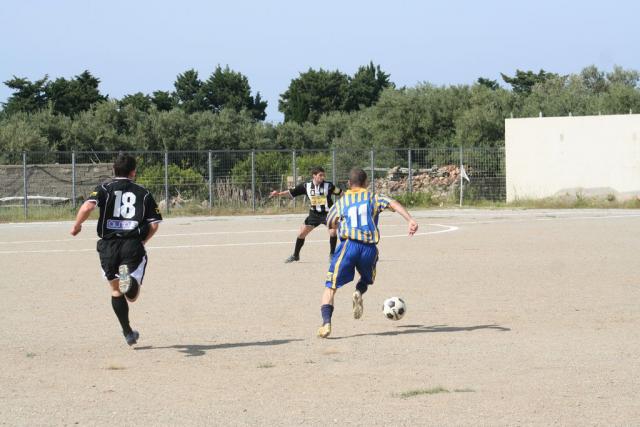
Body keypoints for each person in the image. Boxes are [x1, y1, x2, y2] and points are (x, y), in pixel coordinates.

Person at [70, 154, 162, 346]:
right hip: (131, 243)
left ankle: (128, 332)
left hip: (108, 246)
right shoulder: (143, 192)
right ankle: (129, 279)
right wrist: (142, 242)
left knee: (115, 290)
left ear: (114, 170)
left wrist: (77, 225)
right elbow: (154, 224)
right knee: (132, 296)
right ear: (133, 172)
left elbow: (87, 207)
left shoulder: (104, 188)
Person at [317, 167, 418, 338]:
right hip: (369, 249)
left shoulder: (342, 202)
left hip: (349, 246)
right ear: (366, 183)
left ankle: (326, 323)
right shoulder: (373, 197)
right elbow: (393, 203)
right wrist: (410, 220)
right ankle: (358, 291)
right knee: (366, 278)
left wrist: (339, 223)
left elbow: (330, 222)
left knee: (330, 288)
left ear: (349, 183)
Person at [270, 166, 343, 263]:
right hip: (314, 215)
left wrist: (346, 203)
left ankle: (332, 254)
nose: (323, 177)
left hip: (328, 214)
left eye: (323, 175)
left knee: (333, 232)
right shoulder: (306, 186)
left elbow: (341, 193)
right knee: (301, 234)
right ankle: (295, 255)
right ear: (314, 176)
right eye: (320, 175)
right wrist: (279, 194)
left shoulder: (329, 186)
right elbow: (291, 192)